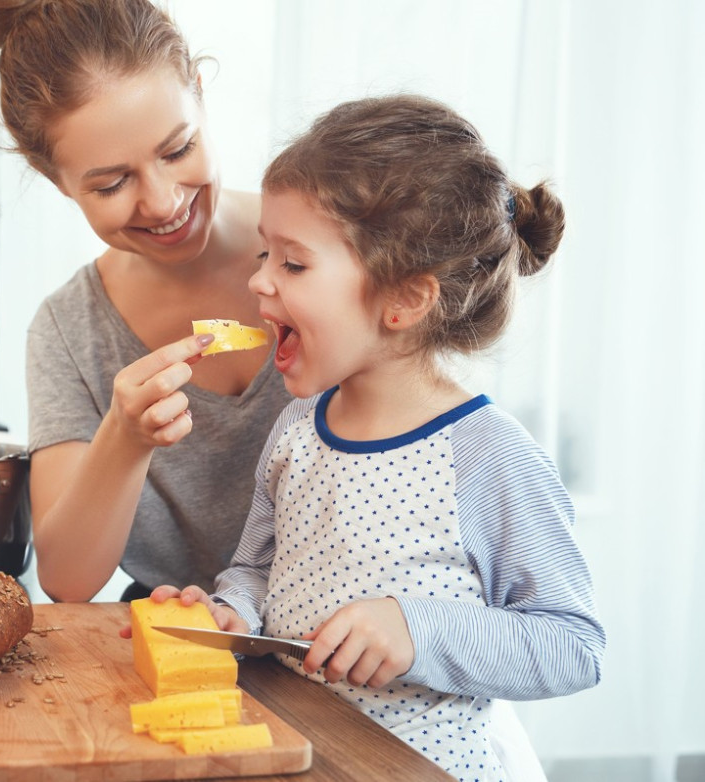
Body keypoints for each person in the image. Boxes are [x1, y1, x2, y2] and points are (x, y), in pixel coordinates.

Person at [155, 95, 605, 781]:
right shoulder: (298, 428)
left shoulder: (489, 457)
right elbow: (255, 571)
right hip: (298, 756)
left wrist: (417, 630)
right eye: (264, 255)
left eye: (293, 265)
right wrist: (227, 617)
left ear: (405, 300)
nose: (257, 281)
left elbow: (573, 644)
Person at [0, 0, 292, 603]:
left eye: (177, 150)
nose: (165, 202)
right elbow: (67, 579)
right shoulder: (68, 331)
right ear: (56, 180)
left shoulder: (334, 253)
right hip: (181, 645)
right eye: (112, 184)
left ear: (198, 92)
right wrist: (125, 435)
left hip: (361, 651)